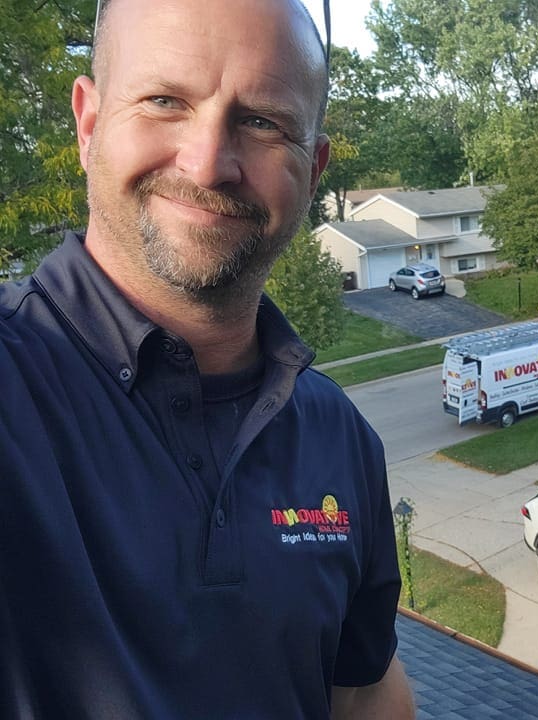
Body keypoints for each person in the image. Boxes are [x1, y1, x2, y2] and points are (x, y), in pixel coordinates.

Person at [0, 0, 415, 717]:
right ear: (89, 124)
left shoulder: (340, 437)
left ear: (313, 169)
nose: (208, 164)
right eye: (165, 102)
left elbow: (363, 692)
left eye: (262, 122)